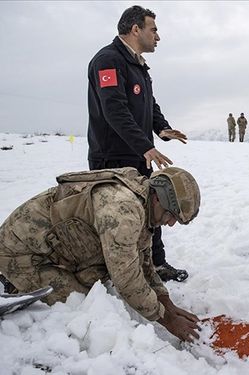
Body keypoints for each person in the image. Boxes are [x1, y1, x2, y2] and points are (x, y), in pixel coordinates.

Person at [0, 167, 201, 341]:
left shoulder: (143, 201)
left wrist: (166, 302)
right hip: (21, 255)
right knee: (81, 306)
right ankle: (11, 282)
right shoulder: (123, 209)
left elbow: (144, 263)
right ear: (158, 198)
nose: (171, 223)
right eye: (170, 215)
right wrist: (167, 320)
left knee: (96, 281)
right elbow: (127, 278)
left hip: (54, 250)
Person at [87, 5, 188, 282]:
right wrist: (145, 145)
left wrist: (162, 129)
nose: (158, 36)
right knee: (116, 218)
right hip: (113, 158)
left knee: (150, 210)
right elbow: (114, 110)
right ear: (135, 30)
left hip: (138, 155)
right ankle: (115, 272)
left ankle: (156, 265)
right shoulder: (108, 60)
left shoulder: (139, 65)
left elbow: (148, 104)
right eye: (153, 29)